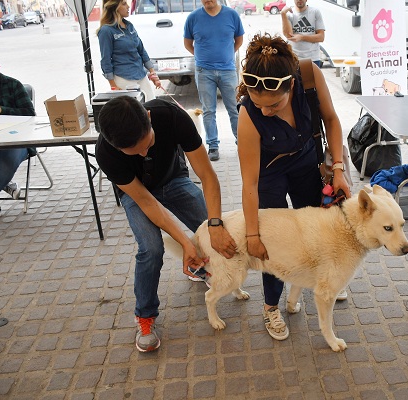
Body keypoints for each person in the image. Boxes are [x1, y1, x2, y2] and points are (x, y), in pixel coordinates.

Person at [95, 96, 237, 352]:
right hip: (138, 194)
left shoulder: (172, 116)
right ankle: (145, 315)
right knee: (151, 249)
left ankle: (201, 268)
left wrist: (215, 225)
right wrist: (184, 243)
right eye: (133, 153)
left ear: (148, 118)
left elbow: (207, 175)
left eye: (146, 144)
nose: (143, 153)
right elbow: (147, 203)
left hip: (173, 179)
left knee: (209, 226)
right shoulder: (105, 152)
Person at [236, 34, 351, 341]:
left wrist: (337, 168)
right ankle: (271, 305)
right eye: (259, 104)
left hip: (304, 161)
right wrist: (252, 234)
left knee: (316, 227)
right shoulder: (249, 115)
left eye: (273, 104)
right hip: (269, 173)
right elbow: (249, 183)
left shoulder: (309, 74)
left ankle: (320, 279)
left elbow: (332, 120)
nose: (266, 112)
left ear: (291, 84)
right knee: (275, 241)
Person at [184, 0, 244, 162]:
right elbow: (187, 43)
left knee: (234, 108)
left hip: (228, 70)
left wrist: (227, 56)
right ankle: (213, 146)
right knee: (209, 110)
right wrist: (201, 56)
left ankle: (243, 142)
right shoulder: (193, 18)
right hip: (204, 71)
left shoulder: (231, 15)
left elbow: (239, 40)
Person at [0, 49, 34, 218]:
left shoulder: (13, 85)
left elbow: (30, 114)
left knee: (8, 163)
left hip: (14, 141)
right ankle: (3, 184)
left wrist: (1, 110)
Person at [97, 0, 161, 101]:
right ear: (114, 7)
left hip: (141, 75)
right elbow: (105, 60)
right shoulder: (106, 31)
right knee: (133, 113)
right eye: (123, 4)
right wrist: (113, 86)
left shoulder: (129, 26)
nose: (128, 6)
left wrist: (153, 73)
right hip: (123, 79)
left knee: (152, 105)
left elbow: (141, 50)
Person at [281, 0, 325, 67]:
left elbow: (321, 37)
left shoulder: (315, 12)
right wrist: (283, 14)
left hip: (313, 59)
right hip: (294, 58)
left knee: (311, 78)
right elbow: (289, 35)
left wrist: (301, 37)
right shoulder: (289, 14)